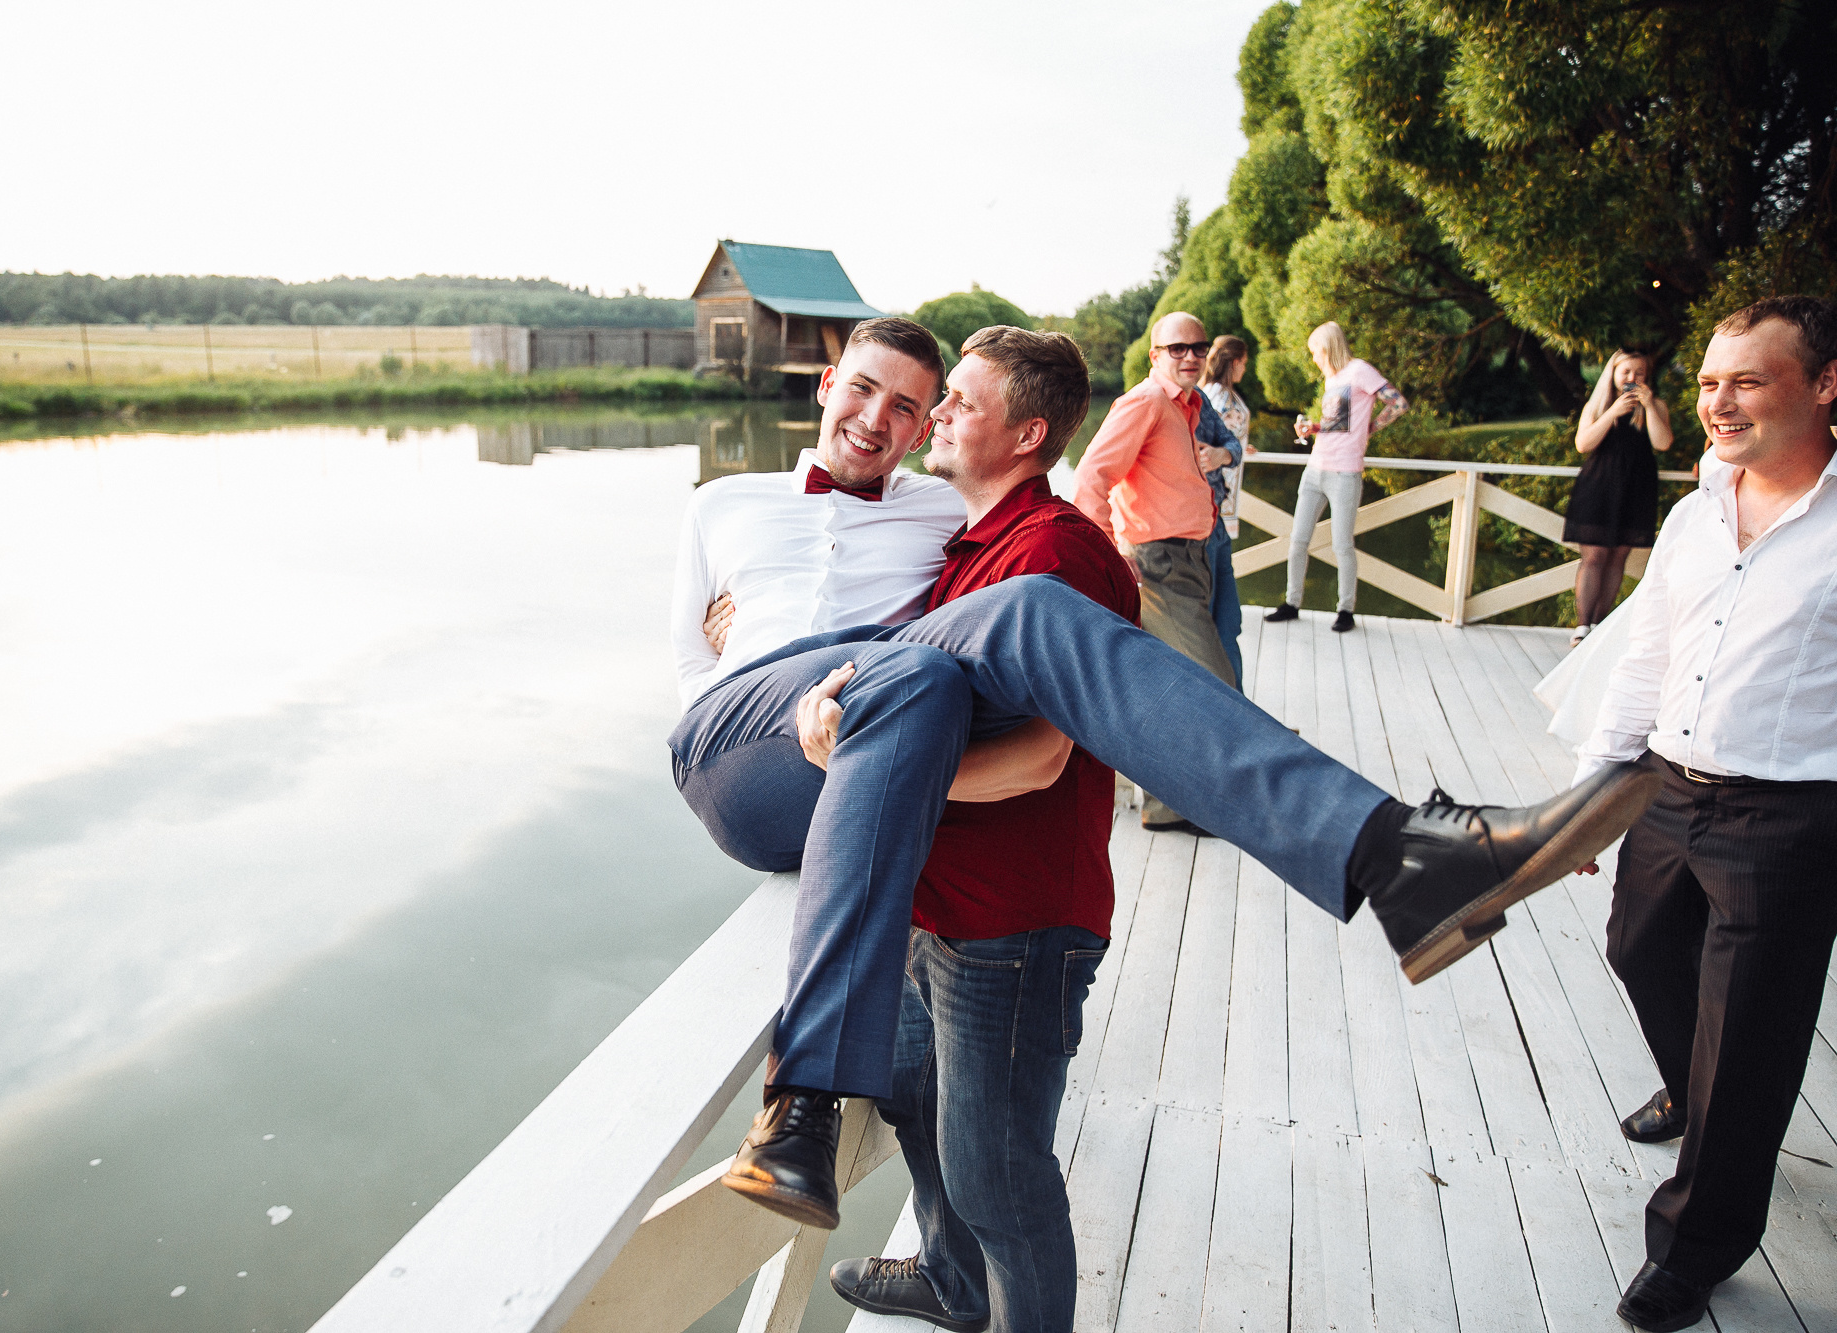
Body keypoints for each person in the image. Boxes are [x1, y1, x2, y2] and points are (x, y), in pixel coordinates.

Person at [667, 317, 1659, 1235]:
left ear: (930, 425)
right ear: (826, 384)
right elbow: (685, 677)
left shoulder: (940, 509)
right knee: (944, 652)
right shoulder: (723, 504)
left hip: (883, 705)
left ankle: (1388, 854)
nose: (880, 420)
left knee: (1008, 621)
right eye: (865, 391)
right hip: (749, 731)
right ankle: (802, 1086)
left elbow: (1019, 560)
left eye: (910, 407)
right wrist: (761, 657)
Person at [777, 326, 1128, 1333]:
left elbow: (1042, 757)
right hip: (935, 907)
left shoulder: (1054, 553)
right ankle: (949, 1276)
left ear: (1027, 434)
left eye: (958, 404)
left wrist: (868, 775)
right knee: (903, 1088)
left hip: (1013, 927)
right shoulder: (966, 544)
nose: (931, 418)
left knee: (1001, 1179)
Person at [1570, 296, 1837, 1333]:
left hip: (1790, 814)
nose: (1717, 403)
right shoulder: (1694, 509)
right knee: (1636, 948)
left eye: (1747, 380)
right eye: (1707, 382)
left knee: (1751, 1032)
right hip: (1666, 786)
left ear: (1821, 386)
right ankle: (1699, 1093)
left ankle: (1692, 1246)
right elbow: (1645, 652)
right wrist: (1601, 779)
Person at [1072, 311, 1242, 830]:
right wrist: (1109, 549)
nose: (1189, 356)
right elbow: (1090, 480)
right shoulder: (1145, 402)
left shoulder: (1191, 405)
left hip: (1193, 558)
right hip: (1158, 563)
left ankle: (1170, 807)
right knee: (1213, 686)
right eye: (1177, 348)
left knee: (1177, 685)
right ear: (1155, 355)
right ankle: (1184, 805)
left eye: (1197, 347)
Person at [1265, 321, 1408, 632]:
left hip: (1344, 472)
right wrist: (1313, 428)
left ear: (1328, 348)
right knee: (1298, 540)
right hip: (1315, 468)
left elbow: (1398, 403)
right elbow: (1338, 424)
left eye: (1315, 352)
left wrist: (1371, 427)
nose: (1314, 359)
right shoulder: (1334, 379)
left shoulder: (1359, 370)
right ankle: (1292, 603)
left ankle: (1346, 610)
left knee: (1342, 544)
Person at [1566, 349, 1674, 644]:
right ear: (1612, 373)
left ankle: (1600, 627)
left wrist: (1649, 406)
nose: (1632, 378)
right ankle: (1582, 626)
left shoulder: (1656, 405)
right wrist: (1613, 412)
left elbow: (1662, 443)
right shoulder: (1598, 406)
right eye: (1626, 371)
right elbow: (1583, 444)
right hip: (1598, 486)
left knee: (1618, 559)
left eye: (1639, 373)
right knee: (1594, 557)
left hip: (1636, 488)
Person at [1199, 335, 1253, 686]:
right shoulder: (1228, 401)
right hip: (1217, 513)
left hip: (1209, 515)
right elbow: (1219, 452)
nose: (1246, 369)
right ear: (1234, 363)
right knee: (1223, 622)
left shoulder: (1204, 395)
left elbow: (1224, 442)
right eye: (1245, 363)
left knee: (1218, 620)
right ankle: (1235, 704)